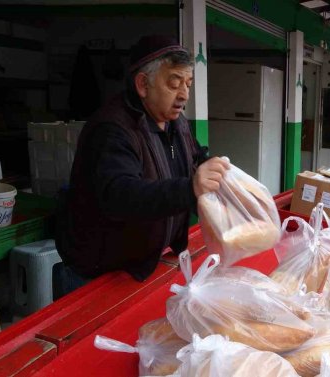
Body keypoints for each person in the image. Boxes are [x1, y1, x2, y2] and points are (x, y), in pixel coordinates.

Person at [55, 36, 230, 295]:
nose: (184, 94)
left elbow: (193, 157)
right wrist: (190, 188)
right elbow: (120, 195)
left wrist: (217, 173)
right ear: (143, 84)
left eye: (188, 84)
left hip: (146, 263)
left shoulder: (176, 122)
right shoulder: (112, 129)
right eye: (174, 83)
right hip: (99, 274)